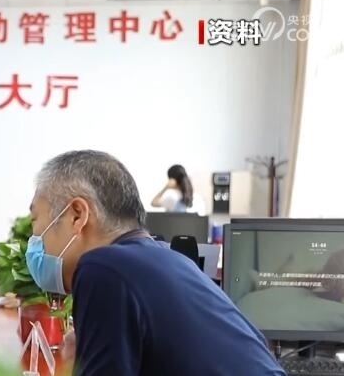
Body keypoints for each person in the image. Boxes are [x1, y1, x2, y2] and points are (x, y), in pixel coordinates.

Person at [26, 150, 284, 376]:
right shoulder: (170, 259)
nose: (34, 237)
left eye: (35, 220)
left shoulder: (103, 267)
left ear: (77, 215)